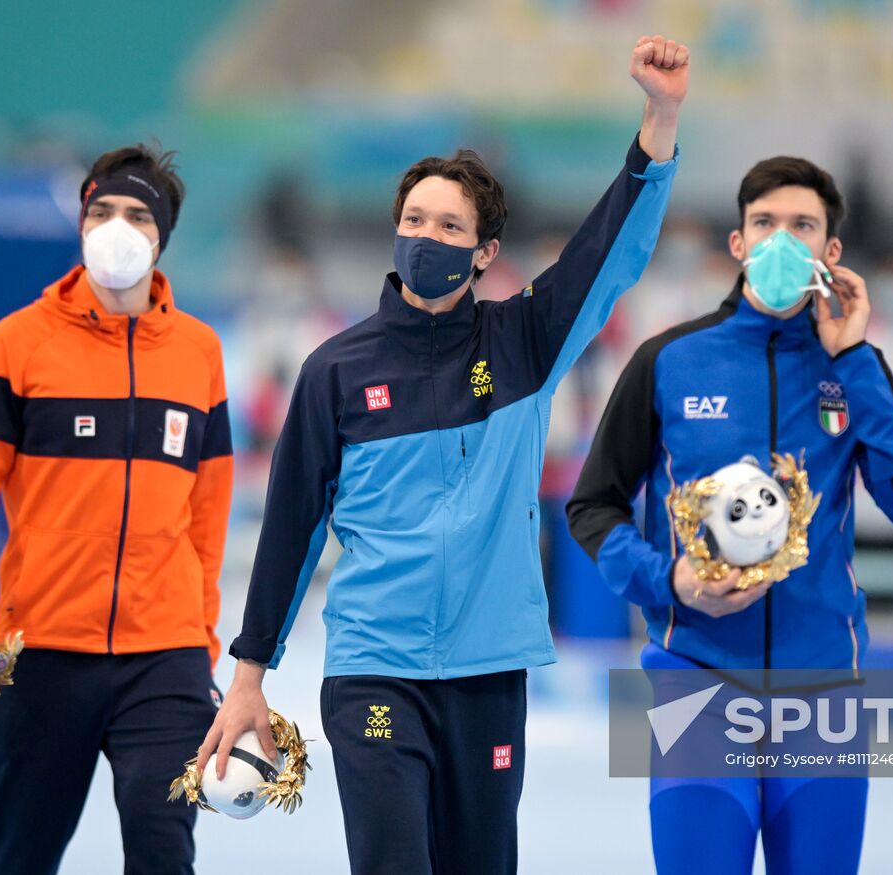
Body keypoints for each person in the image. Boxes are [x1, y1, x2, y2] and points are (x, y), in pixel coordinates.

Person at [198, 35, 689, 875]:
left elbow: (607, 255)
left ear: (485, 252)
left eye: (451, 224)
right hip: (373, 673)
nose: (428, 234)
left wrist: (660, 116)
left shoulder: (526, 342)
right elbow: (289, 532)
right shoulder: (335, 371)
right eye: (415, 219)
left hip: (489, 672)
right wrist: (249, 672)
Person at [566, 155, 893, 875]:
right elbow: (593, 505)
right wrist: (668, 580)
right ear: (738, 243)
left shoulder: (854, 367)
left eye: (802, 226)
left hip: (823, 695)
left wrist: (856, 358)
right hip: (697, 686)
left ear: (830, 254)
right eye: (764, 223)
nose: (780, 239)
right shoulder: (669, 360)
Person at [0, 143, 233, 874]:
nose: (115, 225)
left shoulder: (200, 351)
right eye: (101, 210)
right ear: (81, 223)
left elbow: (209, 515)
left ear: (162, 237)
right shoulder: (17, 342)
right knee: (22, 852)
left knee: (162, 840)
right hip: (41, 649)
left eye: (137, 214)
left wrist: (202, 642)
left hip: (166, 655)